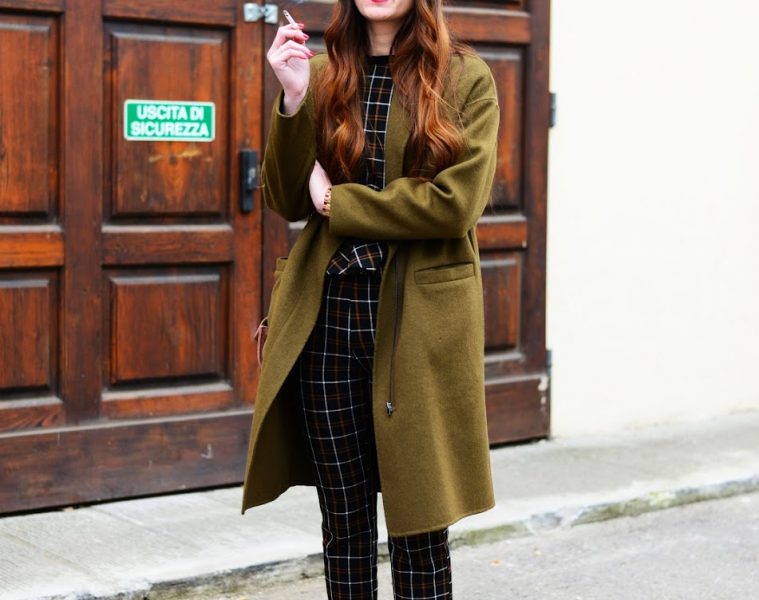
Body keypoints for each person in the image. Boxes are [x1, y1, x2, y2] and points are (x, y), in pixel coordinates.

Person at [241, 0, 500, 597]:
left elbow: (454, 205)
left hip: (418, 329)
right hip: (328, 324)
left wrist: (340, 203)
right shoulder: (324, 73)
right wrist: (294, 97)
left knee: (420, 528)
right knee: (344, 523)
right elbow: (285, 197)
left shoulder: (465, 78)